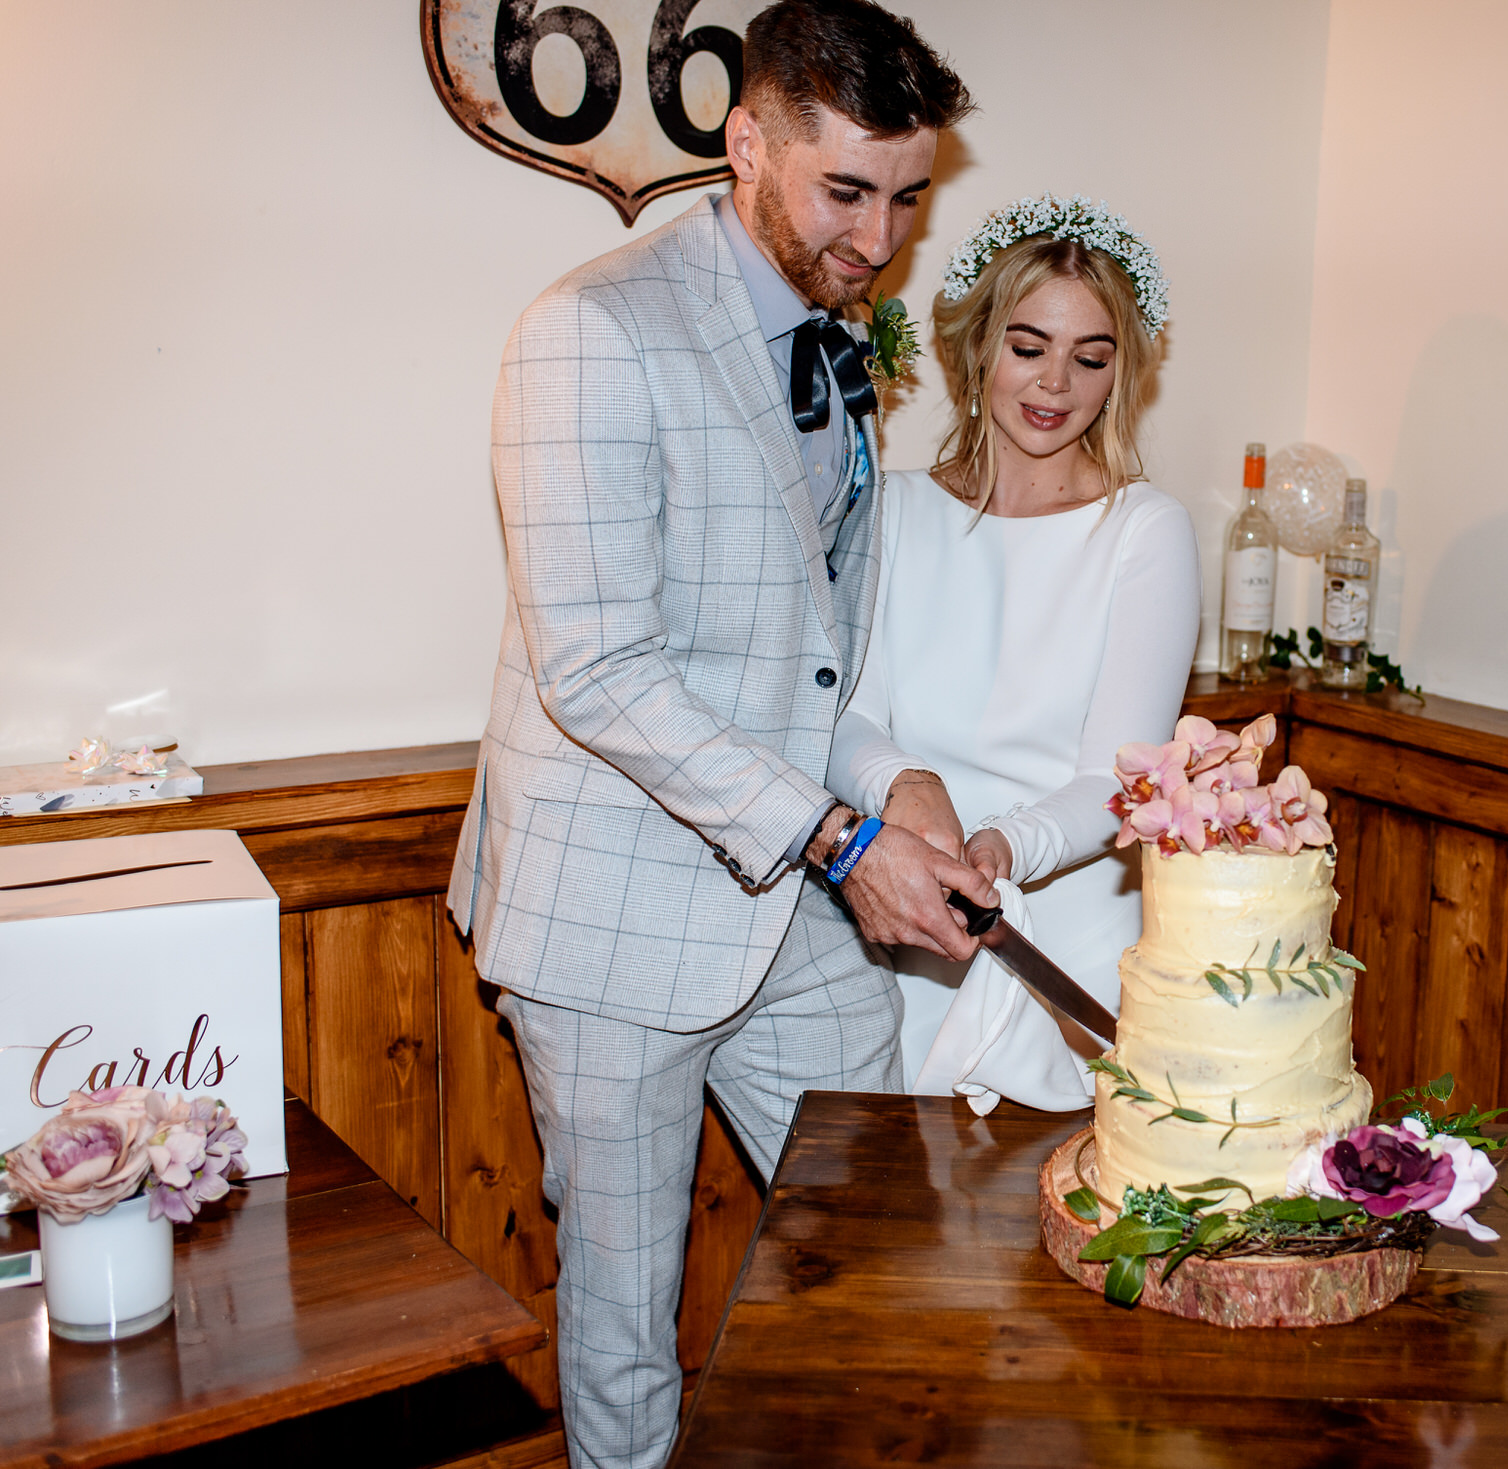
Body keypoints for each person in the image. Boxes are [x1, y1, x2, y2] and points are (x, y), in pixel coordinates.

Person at [444, 5, 981, 1466]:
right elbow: (600, 669)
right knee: (626, 1318)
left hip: (788, 898)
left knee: (881, 1233)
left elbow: (808, 672)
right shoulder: (590, 331)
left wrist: (898, 784)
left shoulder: (841, 347)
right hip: (610, 913)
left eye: (909, 196)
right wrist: (837, 837)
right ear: (747, 144)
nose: (878, 240)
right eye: (846, 192)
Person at [825, 197, 1201, 1108]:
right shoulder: (896, 508)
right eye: (1029, 347)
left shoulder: (1144, 532)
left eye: (1091, 357)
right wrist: (903, 783)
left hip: (1062, 948)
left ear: (1123, 374)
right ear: (977, 347)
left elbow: (1122, 778)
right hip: (899, 934)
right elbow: (844, 718)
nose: (1055, 385)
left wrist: (1004, 847)